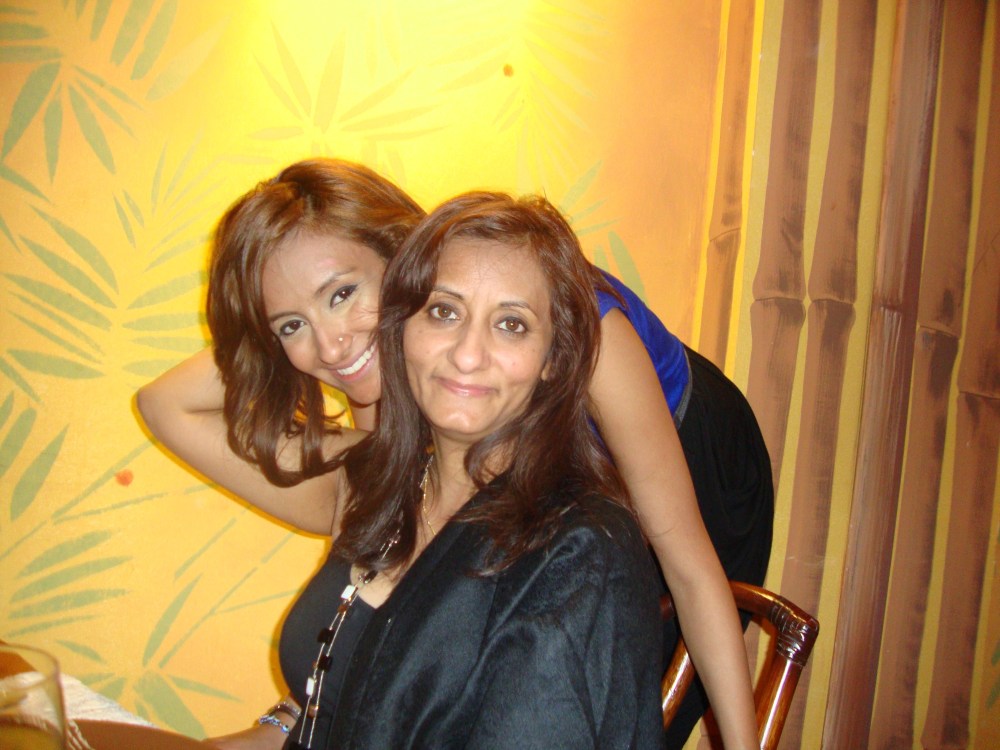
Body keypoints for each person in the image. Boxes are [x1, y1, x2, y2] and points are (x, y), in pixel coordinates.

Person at [138, 158, 765, 748]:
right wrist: (263, 330)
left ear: (403, 260)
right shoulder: (398, 388)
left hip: (699, 458)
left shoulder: (579, 330)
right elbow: (389, 609)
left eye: (342, 294)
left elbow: (689, 564)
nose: (330, 347)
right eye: (292, 326)